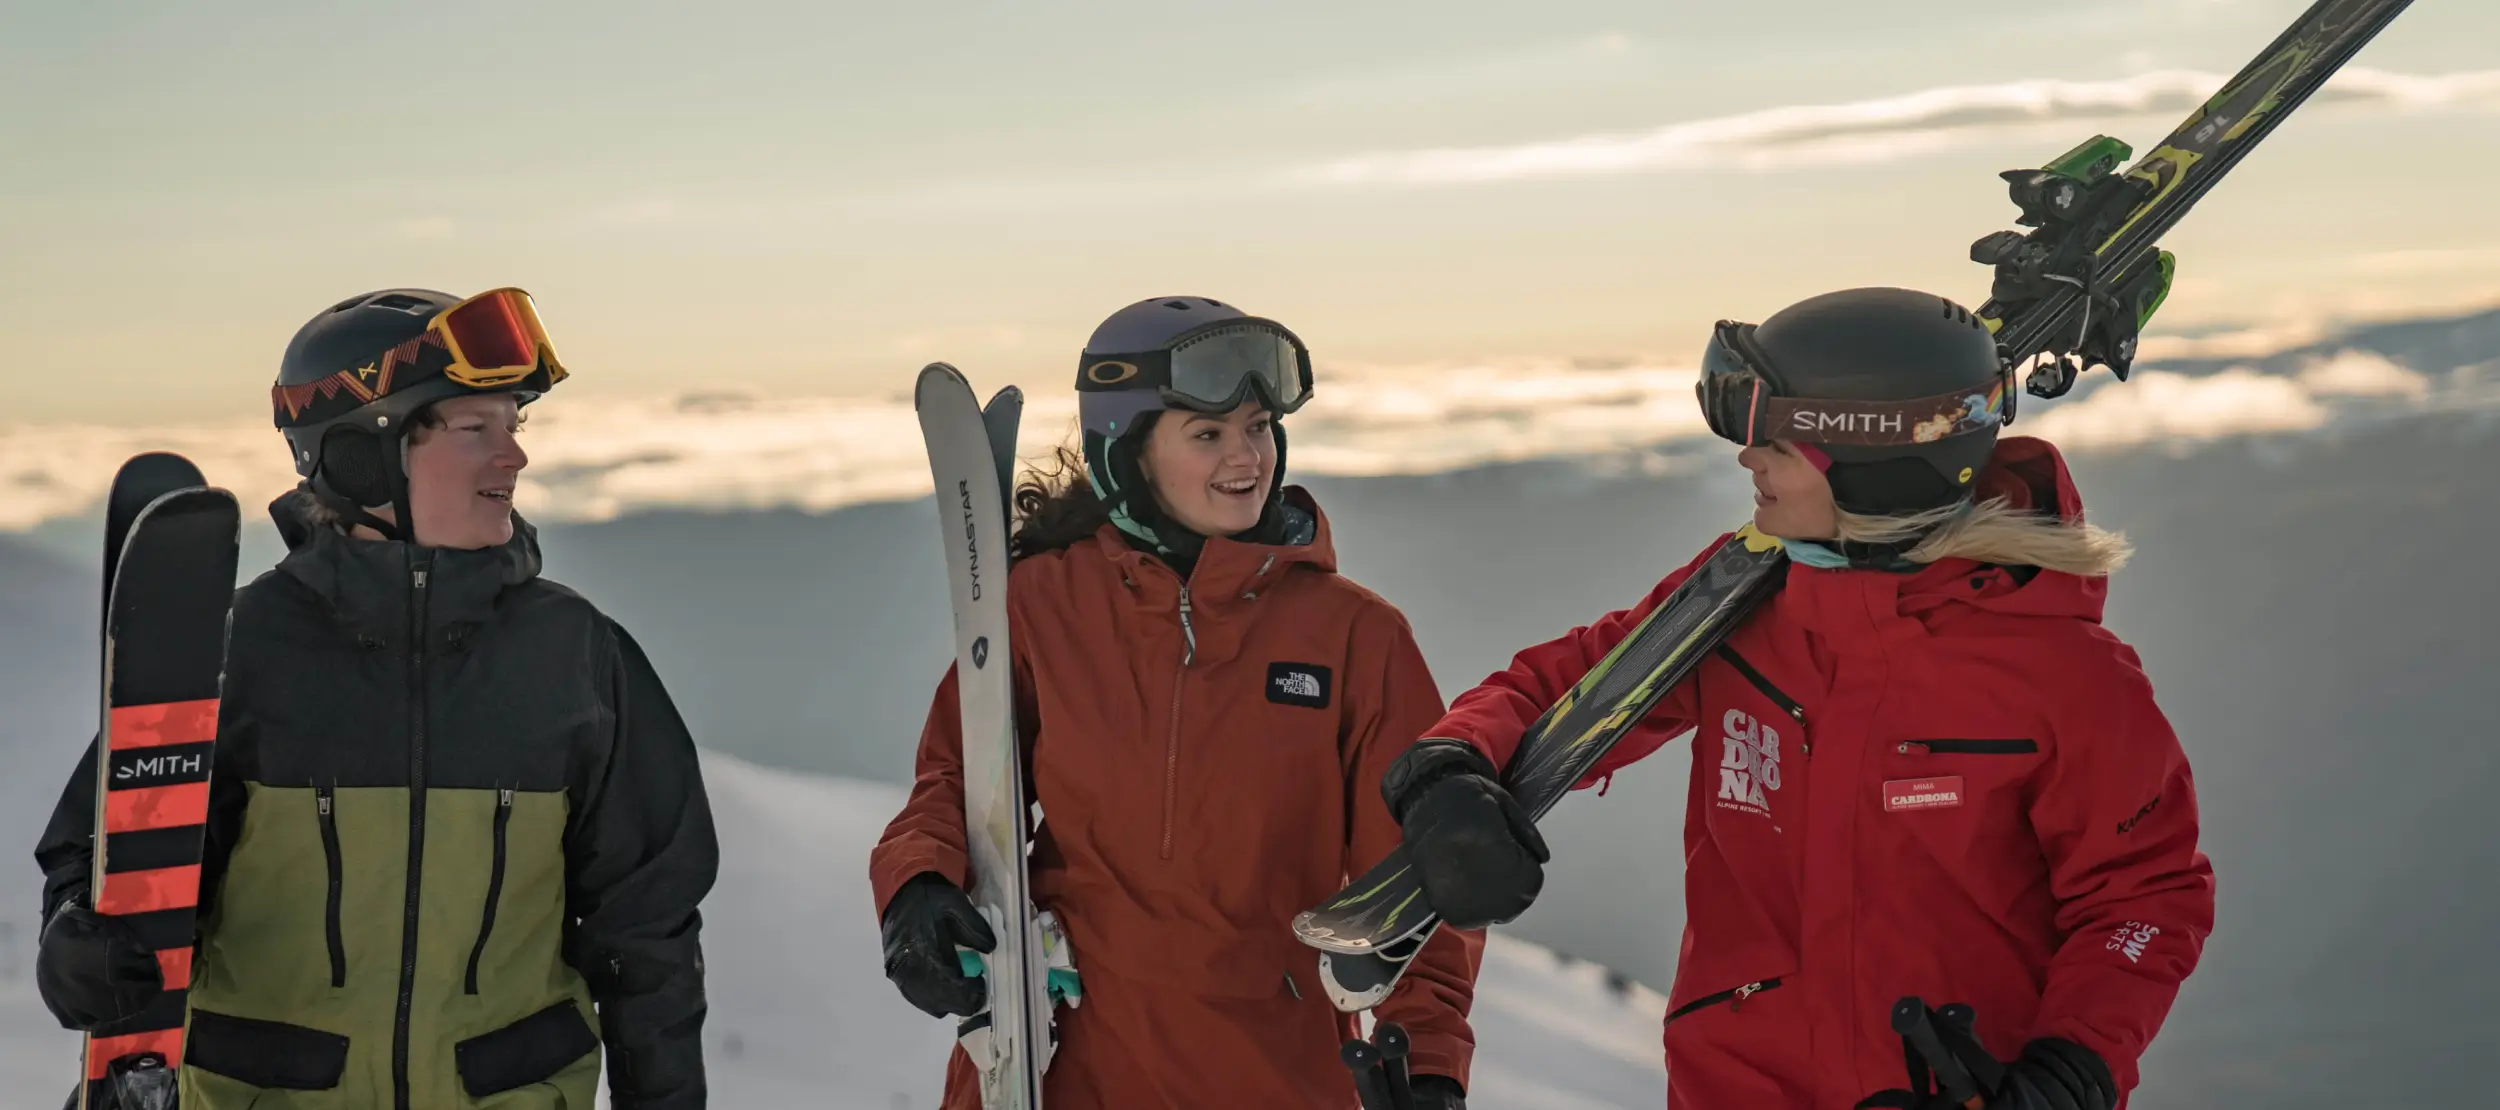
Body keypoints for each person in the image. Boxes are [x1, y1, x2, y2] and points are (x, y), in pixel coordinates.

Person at [1379, 287, 2216, 1110]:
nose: (1748, 461)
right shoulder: (1743, 598)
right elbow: (1575, 680)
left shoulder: (2063, 675)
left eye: (1774, 444)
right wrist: (1453, 761)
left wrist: (2073, 1066)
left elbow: (2143, 898)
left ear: (1868, 471)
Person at [33, 287, 718, 1110]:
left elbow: (649, 935)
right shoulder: (236, 651)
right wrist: (78, 939)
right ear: (360, 456)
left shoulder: (576, 653)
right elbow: (106, 857)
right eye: (476, 429)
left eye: (514, 426)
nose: (515, 457)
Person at [870, 296, 1482, 1108]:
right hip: (1065, 1066)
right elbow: (954, 777)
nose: (1247, 458)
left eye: (1259, 426)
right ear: (1128, 455)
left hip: (1272, 1076)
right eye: (1208, 434)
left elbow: (1419, 881)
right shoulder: (1042, 607)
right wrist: (917, 883)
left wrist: (1429, 1059)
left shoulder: (1356, 640)